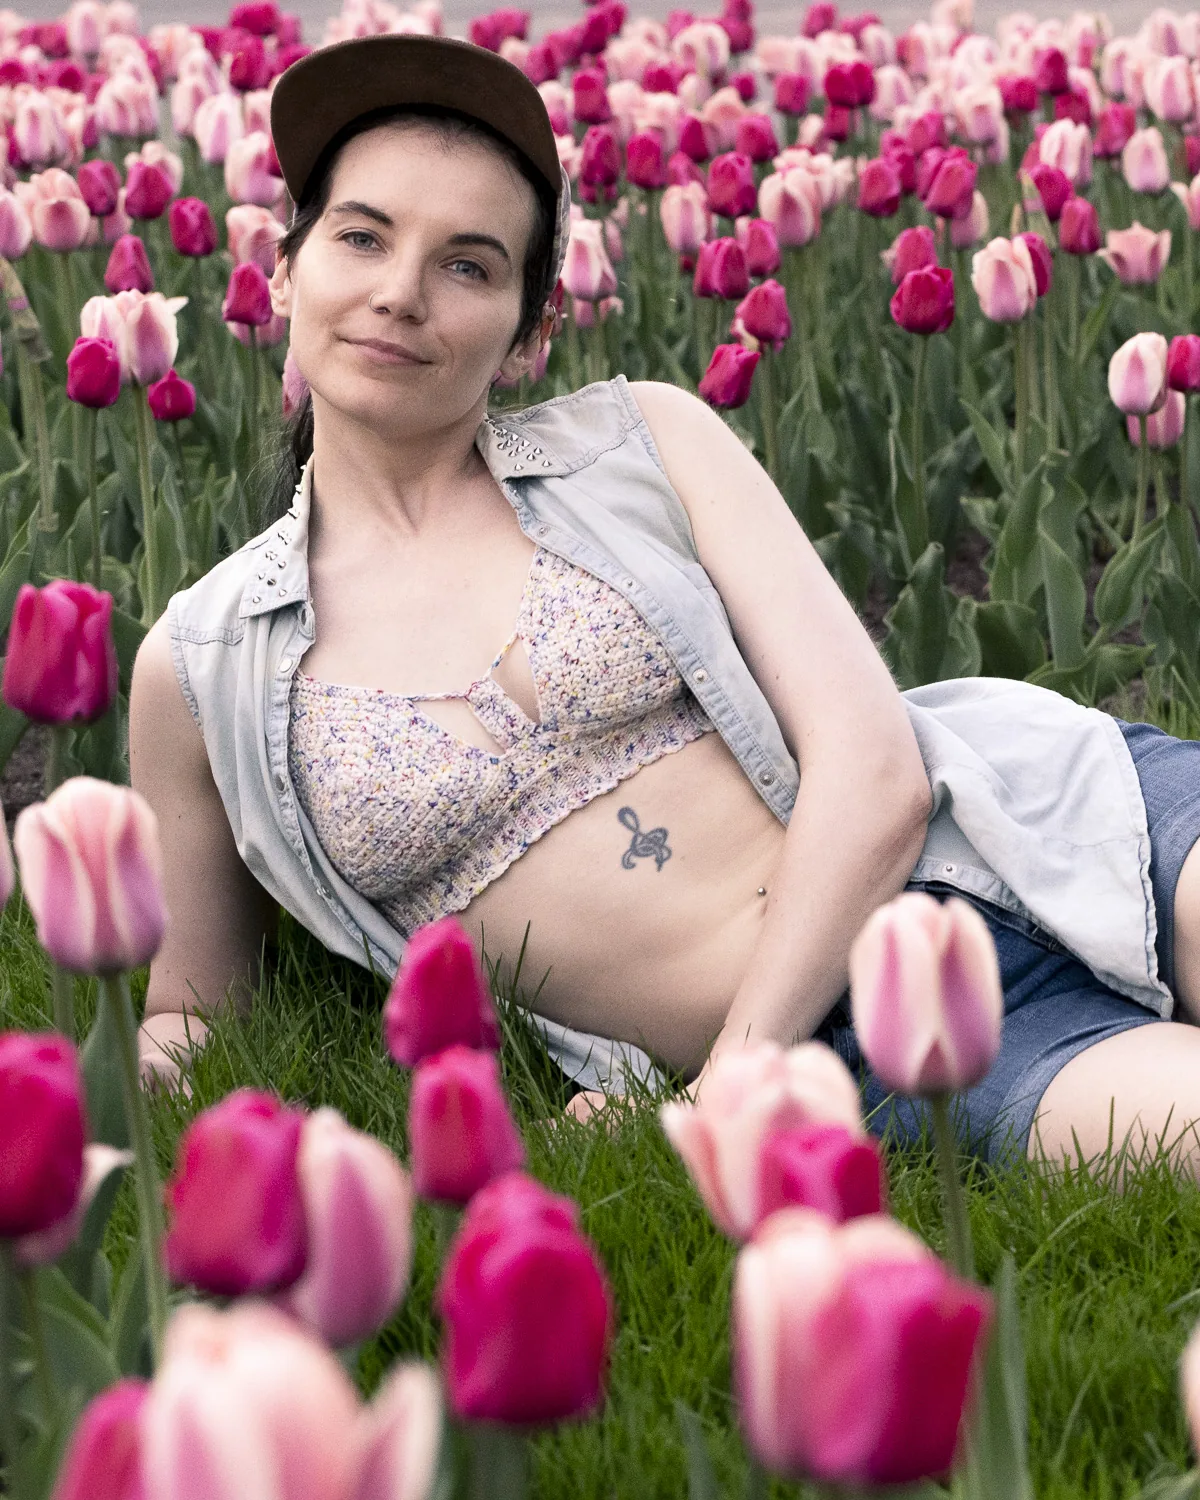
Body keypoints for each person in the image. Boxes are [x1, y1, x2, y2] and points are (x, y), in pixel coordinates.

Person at [130, 33, 1200, 1174]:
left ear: (530, 332)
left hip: (1033, 815)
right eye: (361, 236)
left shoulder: (643, 441)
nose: (400, 293)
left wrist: (725, 1086)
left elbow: (876, 768)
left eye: (468, 265)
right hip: (851, 1040)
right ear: (283, 268)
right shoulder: (203, 665)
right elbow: (193, 1008)